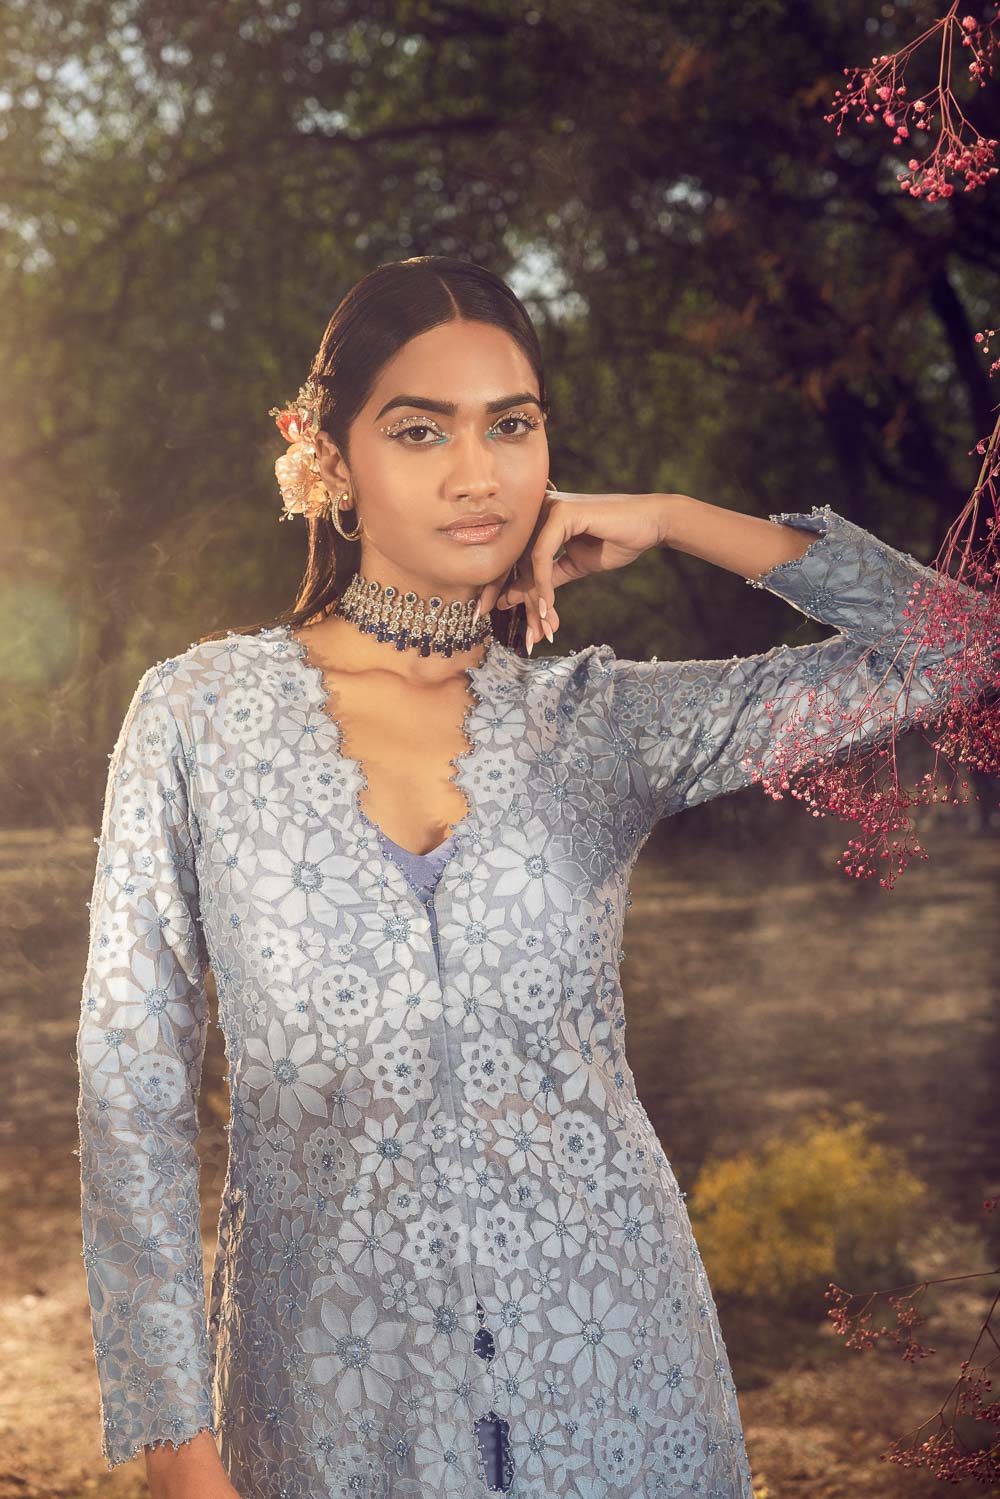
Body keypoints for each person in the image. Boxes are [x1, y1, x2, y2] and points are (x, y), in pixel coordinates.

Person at [75, 256, 981, 1498]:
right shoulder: (198, 719)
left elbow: (957, 650)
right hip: (333, 1388)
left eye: (510, 425)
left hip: (610, 1364)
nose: (478, 473)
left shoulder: (598, 724)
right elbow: (130, 1084)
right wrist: (178, 1445)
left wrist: (674, 515)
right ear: (326, 454)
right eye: (419, 430)